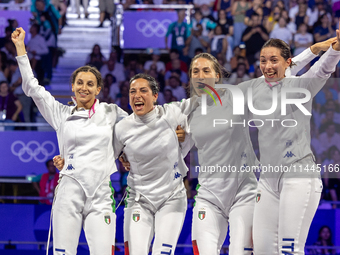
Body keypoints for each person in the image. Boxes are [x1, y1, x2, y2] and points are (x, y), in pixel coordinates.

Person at [12, 27, 128, 254]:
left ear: (98, 89)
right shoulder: (61, 114)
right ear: (72, 86)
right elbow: (33, 89)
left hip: (101, 195)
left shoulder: (112, 112)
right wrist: (20, 49)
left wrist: (127, 154)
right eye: (80, 83)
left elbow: (138, 130)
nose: (84, 87)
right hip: (68, 193)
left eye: (90, 83)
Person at [246, 35, 340, 254]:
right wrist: (313, 49)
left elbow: (323, 69)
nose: (267, 66)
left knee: (289, 250)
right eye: (263, 60)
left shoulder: (301, 86)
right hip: (268, 181)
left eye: (273, 60)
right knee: (262, 251)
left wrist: (334, 49)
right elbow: (278, 70)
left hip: (298, 174)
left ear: (287, 62)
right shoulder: (257, 89)